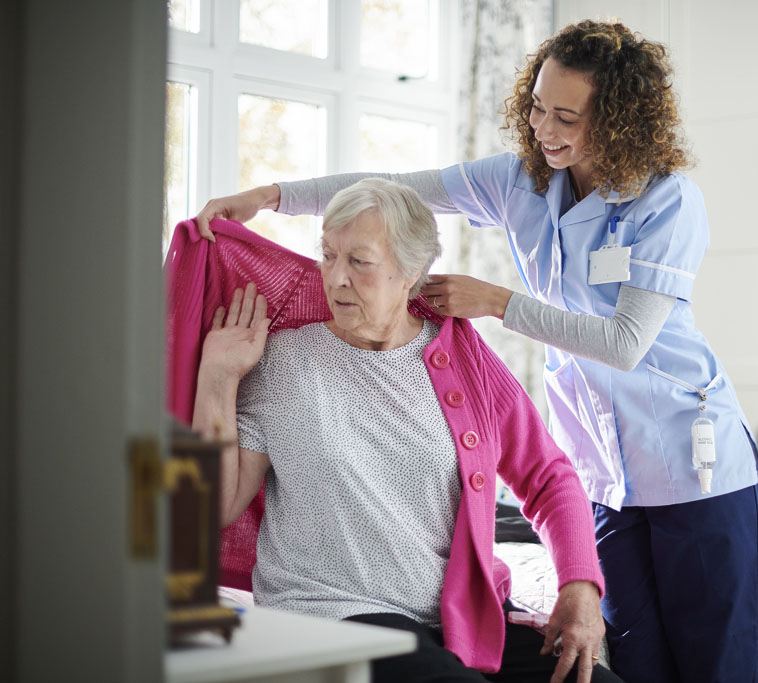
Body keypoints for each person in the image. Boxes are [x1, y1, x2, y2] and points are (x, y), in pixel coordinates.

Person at [196, 20, 758, 683]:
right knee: (638, 661)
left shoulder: (666, 200)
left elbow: (624, 344)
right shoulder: (520, 181)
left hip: (690, 459)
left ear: (615, 120)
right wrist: (270, 196)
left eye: (566, 117)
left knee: (716, 664)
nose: (544, 128)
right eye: (536, 106)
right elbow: (394, 185)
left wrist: (496, 301)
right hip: (606, 471)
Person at [190, 179, 622, 683]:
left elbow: (548, 474)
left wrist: (579, 587)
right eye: (328, 255)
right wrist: (217, 378)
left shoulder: (463, 357)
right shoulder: (284, 361)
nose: (336, 278)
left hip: (457, 622)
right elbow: (215, 505)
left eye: (360, 261)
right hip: (334, 614)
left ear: (411, 271)